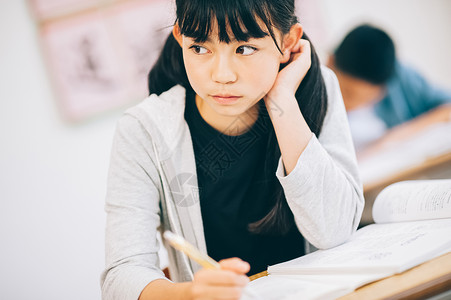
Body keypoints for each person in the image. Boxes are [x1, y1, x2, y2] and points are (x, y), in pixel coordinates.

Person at [101, 1, 364, 299]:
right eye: (200, 48)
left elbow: (335, 230)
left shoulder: (315, 87)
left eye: (245, 49)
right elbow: (120, 278)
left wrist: (283, 102)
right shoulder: (144, 129)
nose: (222, 75)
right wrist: (191, 295)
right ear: (180, 38)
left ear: (288, 41)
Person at [327, 24, 451, 155]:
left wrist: (394, 138)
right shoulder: (309, 94)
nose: (352, 105)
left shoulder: (399, 78)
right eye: (347, 93)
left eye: (367, 99)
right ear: (330, 63)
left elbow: (447, 108)